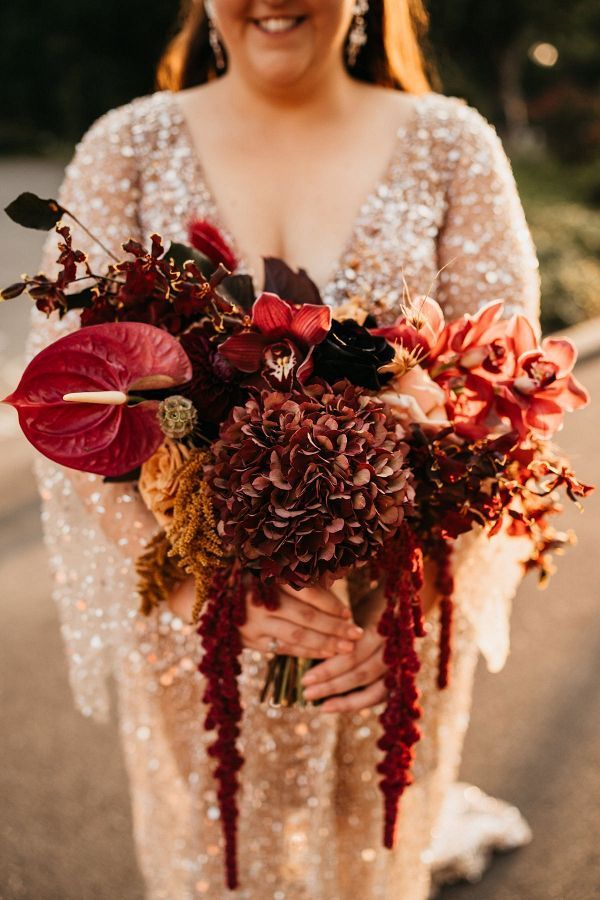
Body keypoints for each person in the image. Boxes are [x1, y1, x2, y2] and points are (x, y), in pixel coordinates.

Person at [29, 1, 540, 897]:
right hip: (194, 652)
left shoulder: (452, 145)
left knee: (368, 859)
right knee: (212, 863)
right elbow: (67, 403)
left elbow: (507, 399)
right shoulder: (128, 145)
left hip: (375, 640)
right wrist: (188, 585)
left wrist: (400, 612)